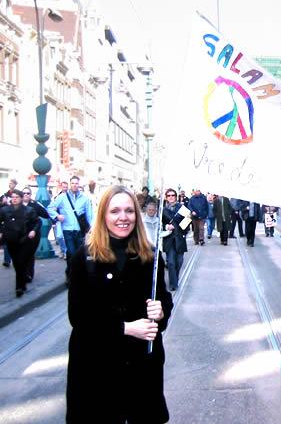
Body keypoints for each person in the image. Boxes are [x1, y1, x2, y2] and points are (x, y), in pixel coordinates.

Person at [66, 185, 173, 423]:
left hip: (141, 368)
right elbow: (79, 316)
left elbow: (163, 299)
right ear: (103, 214)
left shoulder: (150, 256)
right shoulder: (84, 258)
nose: (123, 217)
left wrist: (162, 310)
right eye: (115, 211)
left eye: (129, 211)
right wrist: (125, 328)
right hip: (97, 369)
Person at [47, 176, 94, 282]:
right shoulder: (63, 197)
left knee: (77, 253)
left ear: (79, 184)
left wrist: (91, 228)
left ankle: (70, 272)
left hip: (79, 230)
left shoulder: (85, 198)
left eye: (76, 183)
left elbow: (89, 215)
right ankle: (72, 276)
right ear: (70, 184)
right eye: (72, 183)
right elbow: (50, 208)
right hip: (67, 229)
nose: (74, 185)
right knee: (72, 252)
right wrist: (57, 216)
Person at [0, 189, 41, 297]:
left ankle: (19, 287)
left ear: (21, 198)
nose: (14, 199)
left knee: (21, 262)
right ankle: (23, 279)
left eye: (17, 197)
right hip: (11, 240)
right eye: (12, 197)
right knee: (17, 263)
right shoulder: (5, 210)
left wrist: (33, 231)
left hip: (24, 240)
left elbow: (37, 222)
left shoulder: (29, 210)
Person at [21, 187, 50, 282]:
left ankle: (29, 274)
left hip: (32, 234)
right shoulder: (17, 205)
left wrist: (39, 206)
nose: (26, 195)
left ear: (30, 195)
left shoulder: (35, 205)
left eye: (28, 193)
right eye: (24, 193)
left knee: (29, 254)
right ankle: (22, 273)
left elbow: (45, 215)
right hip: (20, 234)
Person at [162, 189, 187, 291]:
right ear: (166, 197)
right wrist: (166, 226)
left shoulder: (182, 208)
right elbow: (159, 223)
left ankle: (174, 278)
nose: (171, 197)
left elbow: (188, 220)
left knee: (179, 262)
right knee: (171, 262)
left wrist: (180, 228)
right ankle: (173, 283)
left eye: (173, 195)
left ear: (176, 196)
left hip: (179, 238)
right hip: (169, 239)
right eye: (169, 195)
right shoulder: (162, 210)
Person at [0, 178, 17, 267]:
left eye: (11, 183)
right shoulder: (5, 195)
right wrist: (4, 202)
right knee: (7, 242)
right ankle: (7, 260)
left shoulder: (18, 194)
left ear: (15, 184)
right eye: (9, 183)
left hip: (17, 220)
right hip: (7, 221)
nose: (10, 184)